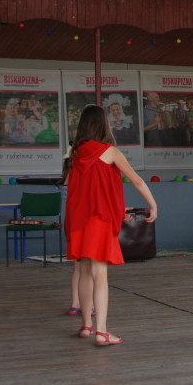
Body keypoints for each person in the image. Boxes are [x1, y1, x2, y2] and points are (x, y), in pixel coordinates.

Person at [65, 104, 157, 346]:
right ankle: (102, 331)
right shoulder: (110, 152)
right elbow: (136, 180)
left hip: (79, 222)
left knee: (84, 272)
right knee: (100, 275)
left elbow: (83, 192)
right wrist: (153, 204)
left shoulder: (76, 155)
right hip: (99, 222)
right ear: (104, 124)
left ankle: (86, 325)